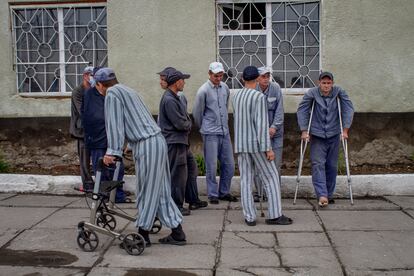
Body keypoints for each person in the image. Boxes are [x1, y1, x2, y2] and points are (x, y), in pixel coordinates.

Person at [95, 67, 186, 246]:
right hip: (156, 141)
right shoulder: (128, 90)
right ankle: (177, 233)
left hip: (147, 145)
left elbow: (115, 124)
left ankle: (142, 234)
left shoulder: (112, 94)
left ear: (100, 85)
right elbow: (139, 118)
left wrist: (112, 152)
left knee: (147, 190)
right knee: (161, 191)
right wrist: (130, 145)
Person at [232, 65, 292, 226]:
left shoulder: (236, 96)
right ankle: (274, 215)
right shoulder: (258, 97)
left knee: (245, 179)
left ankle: (249, 217)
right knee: (271, 176)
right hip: (257, 145)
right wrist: (268, 149)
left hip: (241, 144)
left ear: (243, 79)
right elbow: (261, 124)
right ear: (257, 79)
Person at [297, 71, 354, 207]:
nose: (326, 85)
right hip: (317, 135)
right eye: (324, 83)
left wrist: (345, 130)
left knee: (332, 166)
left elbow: (348, 109)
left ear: (332, 84)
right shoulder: (312, 93)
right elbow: (302, 110)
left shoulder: (339, 92)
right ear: (319, 83)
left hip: (334, 133)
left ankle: (329, 193)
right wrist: (304, 130)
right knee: (318, 164)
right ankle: (322, 195)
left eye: (329, 83)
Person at [157, 67, 208, 214]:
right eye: (182, 81)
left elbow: (185, 120)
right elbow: (181, 124)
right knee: (177, 175)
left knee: (191, 170)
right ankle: (176, 206)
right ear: (176, 82)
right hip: (174, 143)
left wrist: (187, 123)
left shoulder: (175, 97)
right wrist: (188, 125)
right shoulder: (169, 99)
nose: (184, 83)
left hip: (181, 142)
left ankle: (193, 200)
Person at [81, 67, 127, 203]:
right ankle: (104, 196)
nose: (109, 87)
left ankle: (117, 196)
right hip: (97, 140)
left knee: (117, 169)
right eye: (106, 85)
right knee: (100, 169)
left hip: (113, 140)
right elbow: (89, 116)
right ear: (99, 84)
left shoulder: (115, 94)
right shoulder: (90, 94)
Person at [193, 62, 237, 204]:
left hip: (224, 131)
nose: (219, 78)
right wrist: (204, 128)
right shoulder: (203, 91)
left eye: (221, 75)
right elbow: (197, 113)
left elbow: (224, 106)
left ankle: (224, 192)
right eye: (216, 75)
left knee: (229, 164)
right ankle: (212, 194)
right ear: (209, 74)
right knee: (211, 165)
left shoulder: (225, 88)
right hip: (210, 132)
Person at [253, 67, 284, 202]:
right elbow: (253, 114)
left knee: (275, 165)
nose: (266, 79)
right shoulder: (253, 90)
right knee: (259, 165)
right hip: (259, 134)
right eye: (263, 76)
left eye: (268, 76)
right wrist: (262, 131)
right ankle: (260, 193)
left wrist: (273, 127)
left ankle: (274, 192)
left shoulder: (275, 88)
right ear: (258, 78)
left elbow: (279, 110)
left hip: (275, 133)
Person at [70, 66, 94, 190]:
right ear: (85, 76)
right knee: (84, 159)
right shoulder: (78, 91)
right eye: (91, 75)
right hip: (82, 130)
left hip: (95, 130)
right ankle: (87, 184)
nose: (93, 78)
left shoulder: (95, 89)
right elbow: (82, 111)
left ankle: (99, 183)